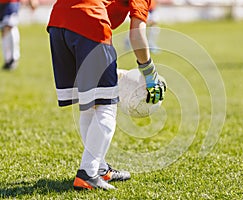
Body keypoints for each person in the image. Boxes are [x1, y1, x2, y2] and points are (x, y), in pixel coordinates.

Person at [47, 0, 166, 190]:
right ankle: (88, 172)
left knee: (90, 104)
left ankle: (100, 168)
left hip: (57, 23)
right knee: (106, 106)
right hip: (89, 21)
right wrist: (150, 73)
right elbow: (136, 35)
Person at [0, 0, 38, 70]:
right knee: (4, 30)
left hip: (11, 2)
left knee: (10, 25)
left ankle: (14, 58)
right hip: (2, 3)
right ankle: (7, 60)